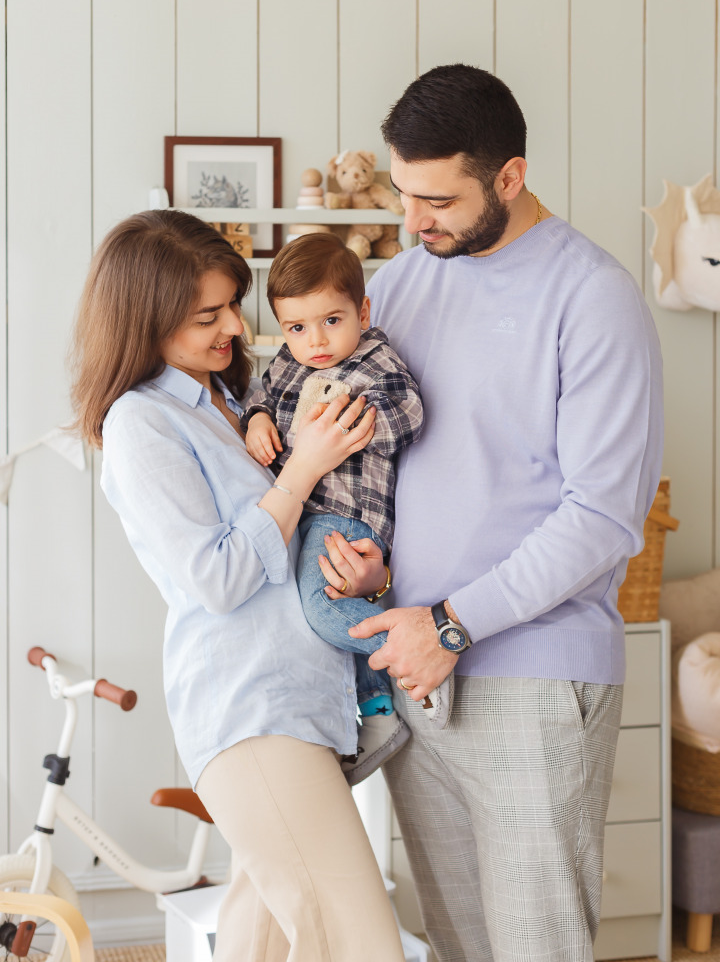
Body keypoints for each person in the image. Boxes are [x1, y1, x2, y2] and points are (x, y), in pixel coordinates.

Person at [348, 64, 664, 962]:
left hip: (529, 672)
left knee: (537, 946)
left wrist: (451, 623)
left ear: (511, 178)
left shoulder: (592, 299)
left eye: (437, 198)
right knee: (455, 944)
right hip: (415, 670)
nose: (414, 220)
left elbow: (602, 517)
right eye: (404, 193)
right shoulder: (403, 284)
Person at [71, 210, 405, 962]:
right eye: (205, 315)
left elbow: (304, 535)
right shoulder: (141, 424)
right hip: (253, 709)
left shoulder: (230, 400)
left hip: (303, 701)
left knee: (263, 940)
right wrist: (302, 466)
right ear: (145, 321)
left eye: (232, 303)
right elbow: (217, 579)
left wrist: (367, 572)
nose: (232, 327)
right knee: (359, 942)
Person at [241, 232, 425, 785]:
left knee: (322, 612)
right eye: (297, 327)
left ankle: (411, 648)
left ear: (361, 311)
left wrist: (353, 425)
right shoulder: (290, 363)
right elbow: (259, 392)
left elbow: (411, 415)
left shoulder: (375, 359)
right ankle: (376, 712)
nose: (316, 341)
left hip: (345, 514)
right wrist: (257, 420)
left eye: (331, 320)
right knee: (308, 615)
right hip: (301, 511)